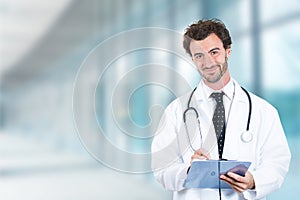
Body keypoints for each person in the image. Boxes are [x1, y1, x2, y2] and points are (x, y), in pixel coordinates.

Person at [151, 19, 291, 200]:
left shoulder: (263, 111)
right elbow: (161, 168)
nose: (208, 62)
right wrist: (188, 170)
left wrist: (253, 181)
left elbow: (277, 162)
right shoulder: (175, 112)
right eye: (199, 55)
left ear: (228, 51)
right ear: (192, 59)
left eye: (214, 52)